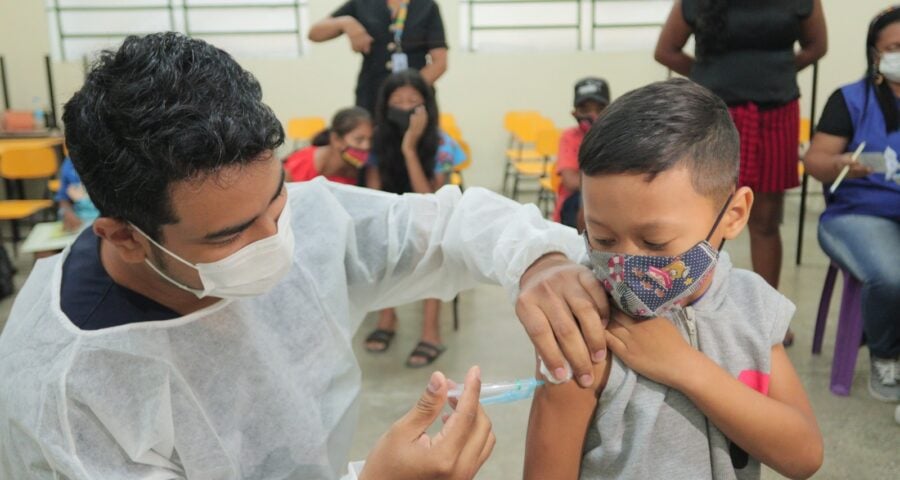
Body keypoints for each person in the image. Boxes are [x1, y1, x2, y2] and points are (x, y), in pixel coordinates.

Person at [0, 33, 612, 480]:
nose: (276, 240)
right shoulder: (71, 392)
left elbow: (445, 225)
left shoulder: (304, 215)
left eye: (277, 202)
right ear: (125, 236)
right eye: (230, 236)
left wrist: (540, 259)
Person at [524, 79, 823, 480]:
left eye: (655, 241)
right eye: (603, 237)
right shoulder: (584, 326)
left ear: (733, 215)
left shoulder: (753, 307)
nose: (625, 263)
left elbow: (803, 456)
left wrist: (685, 367)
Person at [655, 0, 828, 346]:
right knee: (703, 216)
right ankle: (693, 311)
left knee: (765, 219)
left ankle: (767, 317)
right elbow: (667, 50)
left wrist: (775, 72)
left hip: (775, 111)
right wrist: (709, 76)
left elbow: (816, 46)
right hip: (714, 114)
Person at [804, 6, 900, 402]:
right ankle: (886, 354)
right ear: (875, 55)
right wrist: (840, 164)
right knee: (891, 277)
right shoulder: (850, 100)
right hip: (857, 213)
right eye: (895, 46)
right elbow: (814, 162)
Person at [362, 69, 466, 368]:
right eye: (398, 101)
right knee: (382, 243)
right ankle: (387, 317)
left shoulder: (441, 143)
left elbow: (431, 201)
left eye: (413, 100)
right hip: (392, 217)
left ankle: (431, 334)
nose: (406, 108)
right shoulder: (376, 141)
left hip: (431, 220)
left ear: (427, 106)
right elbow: (373, 197)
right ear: (386, 106)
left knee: (432, 250)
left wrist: (410, 148)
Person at [308, 0, 448, 113]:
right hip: (371, 95)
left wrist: (406, 93)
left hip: (414, 98)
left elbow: (439, 63)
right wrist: (345, 22)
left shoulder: (427, 6)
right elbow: (314, 33)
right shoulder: (362, 4)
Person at [554, 77, 610, 229]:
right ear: (574, 113)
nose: (592, 115)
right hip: (575, 203)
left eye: (599, 109)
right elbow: (570, 182)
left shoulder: (616, 137)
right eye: (585, 109)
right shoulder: (569, 137)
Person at [284, 106, 372, 185]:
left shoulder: (362, 170)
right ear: (336, 139)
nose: (367, 146)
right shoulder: (301, 164)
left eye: (371, 139)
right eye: (359, 140)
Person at [56, 156, 100, 231]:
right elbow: (63, 197)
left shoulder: (109, 159)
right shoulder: (68, 164)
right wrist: (67, 213)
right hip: (81, 221)